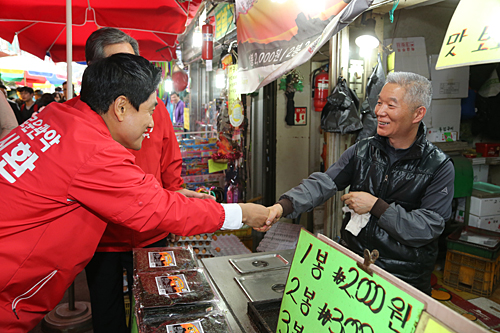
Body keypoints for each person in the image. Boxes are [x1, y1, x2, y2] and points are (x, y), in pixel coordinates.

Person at [0, 53, 273, 332]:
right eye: (150, 109)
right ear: (121, 107)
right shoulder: (91, 149)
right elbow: (154, 208)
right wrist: (241, 213)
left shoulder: (62, 116)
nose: (152, 123)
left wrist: (171, 195)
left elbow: (135, 192)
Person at [67, 27, 209, 332]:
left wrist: (179, 197)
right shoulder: (83, 121)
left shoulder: (153, 109)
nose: (131, 74)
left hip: (151, 232)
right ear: (96, 71)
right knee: (107, 314)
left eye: (134, 62)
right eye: (119, 65)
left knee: (158, 310)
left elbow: (171, 163)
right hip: (100, 236)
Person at [266, 72, 455, 295]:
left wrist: (376, 206)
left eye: (390, 106)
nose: (379, 111)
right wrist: (282, 206)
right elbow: (325, 183)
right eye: (379, 102)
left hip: (402, 284)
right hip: (354, 270)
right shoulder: (363, 150)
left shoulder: (438, 167)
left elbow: (427, 228)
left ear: (417, 114)